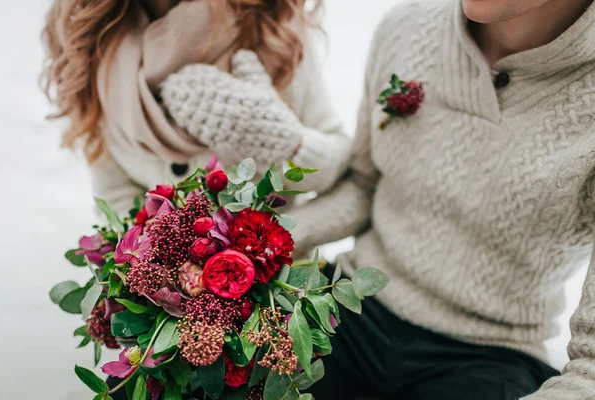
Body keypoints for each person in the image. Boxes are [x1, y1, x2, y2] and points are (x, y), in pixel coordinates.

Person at [287, 0, 595, 398]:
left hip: (489, 356)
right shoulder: (406, 26)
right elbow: (363, 186)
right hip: (349, 304)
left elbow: (589, 372)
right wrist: (257, 243)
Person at [41, 0, 351, 219]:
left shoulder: (271, 24)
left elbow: (336, 170)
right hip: (159, 302)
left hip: (279, 293)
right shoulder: (94, 44)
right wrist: (162, 272)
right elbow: (115, 198)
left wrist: (279, 139)